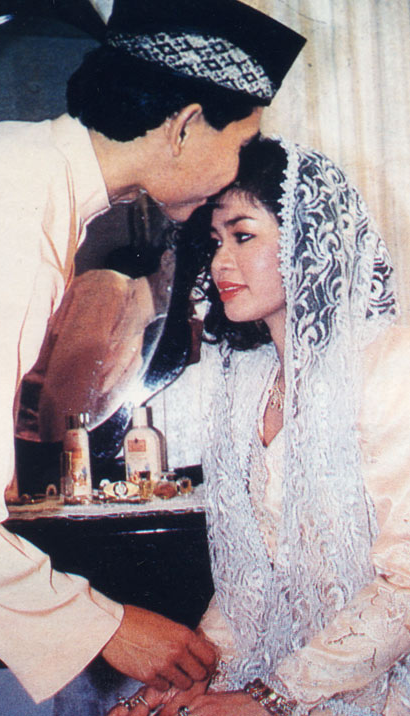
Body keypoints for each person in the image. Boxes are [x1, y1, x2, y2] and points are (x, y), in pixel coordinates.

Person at [0, 0, 305, 706]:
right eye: (242, 139)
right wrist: (110, 627)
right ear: (185, 126)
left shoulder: (18, 166)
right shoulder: (9, 211)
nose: (238, 168)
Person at [108, 136, 410, 715]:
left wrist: (269, 698)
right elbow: (248, 585)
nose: (220, 262)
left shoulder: (389, 366)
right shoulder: (249, 382)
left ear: (309, 240)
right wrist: (186, 680)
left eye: (243, 236)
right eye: (215, 241)